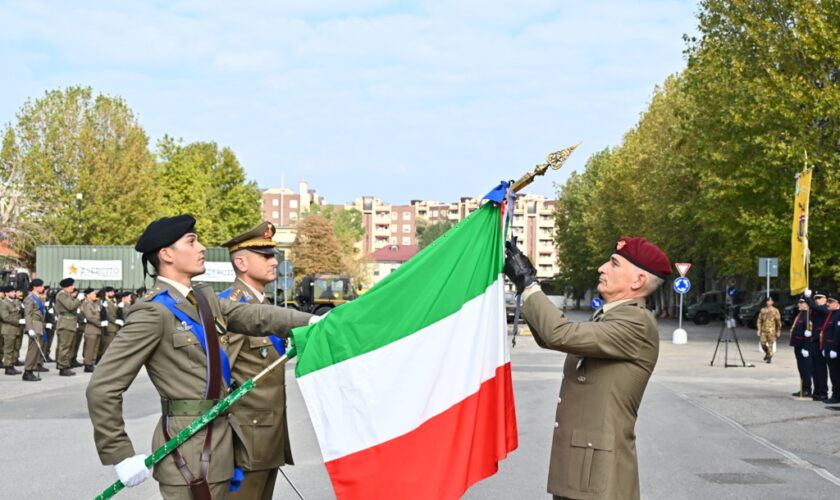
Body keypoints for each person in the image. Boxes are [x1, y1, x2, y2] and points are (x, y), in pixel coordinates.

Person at [85, 215, 313, 499]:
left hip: (220, 442)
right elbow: (103, 387)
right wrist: (119, 453)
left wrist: (312, 322)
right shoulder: (154, 312)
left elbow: (255, 315)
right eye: (191, 242)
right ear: (166, 254)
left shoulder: (203, 299)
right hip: (187, 450)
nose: (202, 247)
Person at [504, 236, 671, 500]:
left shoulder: (635, 322)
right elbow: (551, 336)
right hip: (584, 468)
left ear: (637, 281)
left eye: (614, 264)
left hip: (599, 476)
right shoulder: (612, 316)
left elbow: (561, 334)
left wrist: (529, 285)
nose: (602, 268)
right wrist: (526, 286)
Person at [219, 221, 293, 500]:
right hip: (245, 442)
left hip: (267, 437)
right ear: (241, 262)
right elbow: (219, 379)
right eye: (266, 256)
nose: (274, 262)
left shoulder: (262, 307)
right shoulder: (234, 308)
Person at [805, 291, 830, 401]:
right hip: (813, 341)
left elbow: (813, 306)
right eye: (816, 298)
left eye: (820, 298)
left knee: (820, 369)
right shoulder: (815, 311)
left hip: (821, 342)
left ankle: (823, 392)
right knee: (813, 368)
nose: (817, 300)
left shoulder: (825, 309)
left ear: (826, 299)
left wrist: (807, 298)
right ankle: (817, 391)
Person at [22, 279, 49, 381]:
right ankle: (27, 371)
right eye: (41, 286)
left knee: (37, 351)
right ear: (35, 287)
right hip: (34, 325)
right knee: (33, 350)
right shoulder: (30, 299)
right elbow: (28, 315)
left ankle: (32, 370)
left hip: (39, 326)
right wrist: (29, 328)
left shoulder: (38, 298)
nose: (43, 288)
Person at [55, 278, 83, 376]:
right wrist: (78, 299)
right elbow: (70, 306)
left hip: (69, 323)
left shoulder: (66, 295)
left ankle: (64, 364)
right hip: (65, 323)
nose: (73, 287)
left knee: (67, 346)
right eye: (71, 286)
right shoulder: (62, 295)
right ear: (66, 287)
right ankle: (63, 367)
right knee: (65, 346)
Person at [789, 298, 814, 397]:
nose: (799, 304)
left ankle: (807, 389)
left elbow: (809, 333)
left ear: (807, 304)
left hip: (804, 346)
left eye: (802, 302)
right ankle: (803, 388)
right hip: (798, 344)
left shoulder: (808, 315)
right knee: (801, 368)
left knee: (805, 368)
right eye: (799, 302)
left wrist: (806, 347)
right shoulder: (801, 314)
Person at [821, 294, 840, 404]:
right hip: (829, 348)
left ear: (837, 303)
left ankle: (837, 396)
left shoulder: (838, 315)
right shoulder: (831, 314)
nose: (828, 304)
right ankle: (836, 394)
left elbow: (838, 334)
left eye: (831, 302)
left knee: (836, 374)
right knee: (833, 374)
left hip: (835, 350)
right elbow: (826, 332)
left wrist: (834, 349)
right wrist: (825, 347)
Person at [1, 285, 24, 375]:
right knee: (8, 349)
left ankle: (12, 365)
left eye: (14, 292)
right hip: (8, 330)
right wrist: (18, 321)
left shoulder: (15, 302)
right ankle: (8, 367)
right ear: (7, 293)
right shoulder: (4, 303)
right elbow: (5, 317)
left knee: (15, 348)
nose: (14, 293)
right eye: (12, 292)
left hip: (16, 329)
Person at [80, 288, 103, 373]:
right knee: (90, 348)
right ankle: (88, 365)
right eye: (93, 294)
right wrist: (101, 324)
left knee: (95, 348)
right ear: (88, 295)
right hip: (91, 329)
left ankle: (92, 363)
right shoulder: (86, 304)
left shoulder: (95, 304)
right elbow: (90, 317)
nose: (95, 295)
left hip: (97, 330)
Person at [756, 297, 781, 363]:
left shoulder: (775, 310)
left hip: (772, 331)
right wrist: (758, 329)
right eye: (768, 301)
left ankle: (769, 357)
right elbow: (759, 320)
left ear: (772, 302)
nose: (769, 302)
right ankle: (768, 353)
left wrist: (778, 330)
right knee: (762, 344)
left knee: (770, 344)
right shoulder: (762, 310)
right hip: (763, 330)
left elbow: (778, 321)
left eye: (770, 301)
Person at [98, 287, 119, 360]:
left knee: (111, 345)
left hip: (113, 326)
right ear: (106, 293)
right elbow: (107, 314)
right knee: (107, 345)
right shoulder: (104, 301)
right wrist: (115, 321)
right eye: (112, 292)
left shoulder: (111, 301)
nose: (113, 293)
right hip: (109, 326)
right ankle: (104, 360)